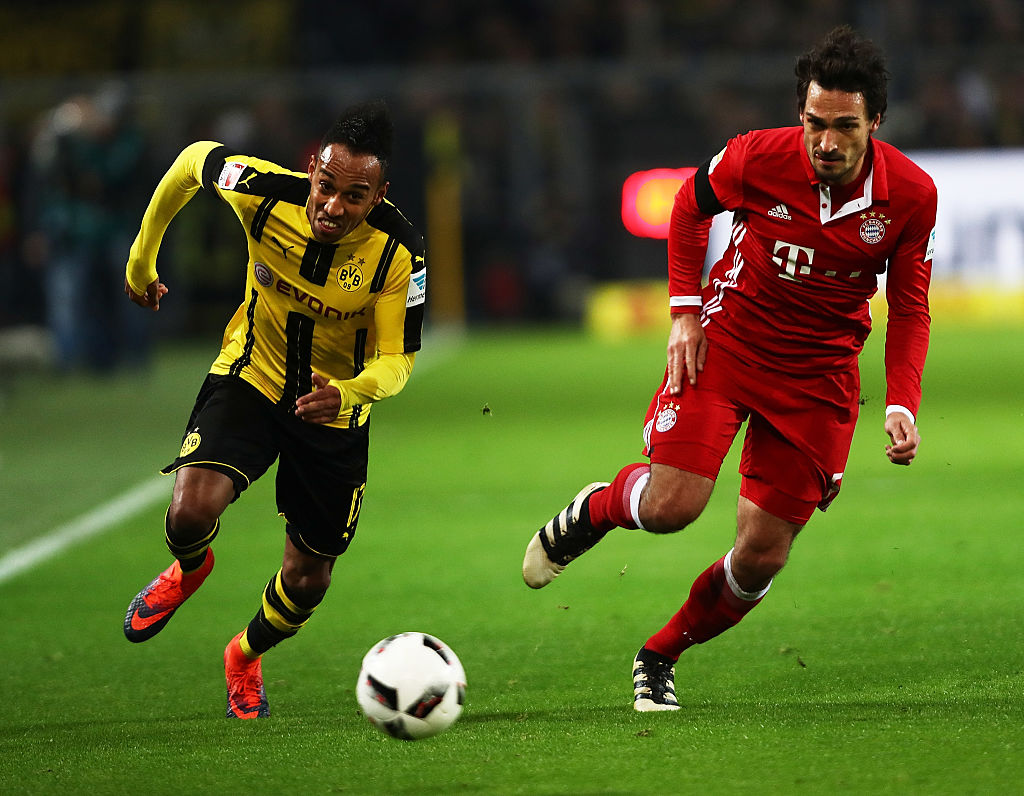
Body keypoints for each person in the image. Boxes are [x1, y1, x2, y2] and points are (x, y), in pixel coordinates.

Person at [522, 26, 937, 712]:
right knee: (671, 507)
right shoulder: (756, 156)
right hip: (728, 345)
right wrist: (685, 312)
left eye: (845, 126)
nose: (826, 142)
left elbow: (912, 309)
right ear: (800, 114)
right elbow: (689, 206)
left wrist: (901, 403)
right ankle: (597, 508)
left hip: (819, 378)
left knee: (761, 556)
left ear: (876, 123)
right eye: (815, 123)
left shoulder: (912, 196)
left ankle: (659, 655)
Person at [122, 100, 426, 719]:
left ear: (379, 196)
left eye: (355, 197)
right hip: (252, 377)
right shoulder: (263, 191)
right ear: (311, 169)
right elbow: (191, 163)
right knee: (188, 514)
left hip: (333, 413)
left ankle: (243, 654)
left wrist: (348, 392)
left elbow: (398, 360)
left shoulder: (401, 252)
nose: (332, 207)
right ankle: (189, 568)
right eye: (326, 186)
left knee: (308, 579)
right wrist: (141, 258)